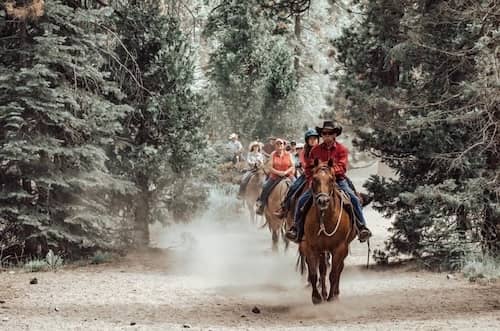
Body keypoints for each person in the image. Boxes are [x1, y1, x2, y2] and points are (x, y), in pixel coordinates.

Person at [286, 121, 372, 243]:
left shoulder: (342, 149)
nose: (326, 135)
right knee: (301, 201)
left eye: (329, 133)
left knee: (354, 199)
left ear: (334, 134)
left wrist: (327, 172)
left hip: (338, 180)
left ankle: (361, 227)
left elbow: (342, 167)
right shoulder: (315, 150)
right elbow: (309, 168)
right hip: (319, 182)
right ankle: (296, 229)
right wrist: (313, 179)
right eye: (324, 133)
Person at [274, 129, 320, 218]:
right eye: (310, 138)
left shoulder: (321, 149)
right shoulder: (304, 151)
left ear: (318, 139)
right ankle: (284, 208)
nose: (313, 140)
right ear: (307, 140)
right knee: (293, 188)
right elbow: (304, 163)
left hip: (322, 174)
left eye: (314, 138)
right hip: (307, 175)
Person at [255, 138, 295, 215]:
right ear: (275, 146)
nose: (279, 145)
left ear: (284, 145)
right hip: (275, 176)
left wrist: (285, 172)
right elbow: (270, 167)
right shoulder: (273, 154)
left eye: (281, 144)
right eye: (277, 144)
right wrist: (279, 173)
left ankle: (297, 207)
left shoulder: (288, 154)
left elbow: (292, 166)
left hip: (288, 175)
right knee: (265, 186)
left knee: (297, 186)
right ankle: (261, 205)